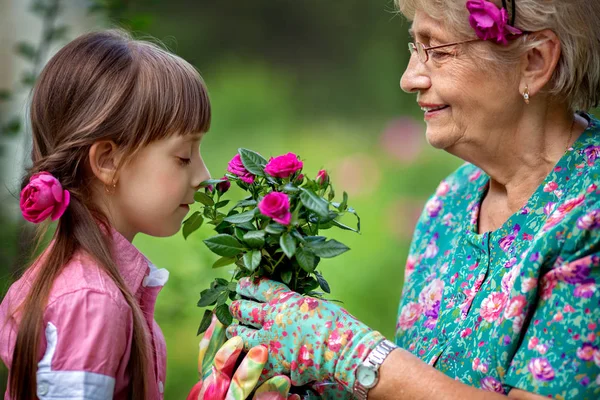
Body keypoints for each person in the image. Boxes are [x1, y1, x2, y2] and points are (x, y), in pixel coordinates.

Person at [224, 0, 600, 399]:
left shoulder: (588, 213)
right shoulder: (454, 199)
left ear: (534, 61)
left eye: (436, 50)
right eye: (414, 47)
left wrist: (353, 354)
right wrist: (308, 381)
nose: (409, 78)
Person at [0, 30, 211, 399]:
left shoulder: (94, 288)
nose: (204, 176)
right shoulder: (92, 303)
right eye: (183, 157)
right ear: (108, 161)